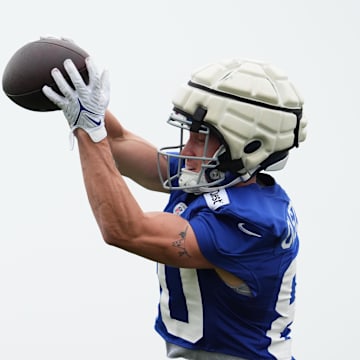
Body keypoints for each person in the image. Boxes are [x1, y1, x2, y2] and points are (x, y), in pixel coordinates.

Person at [42, 54, 307, 360]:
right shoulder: (215, 178)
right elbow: (117, 142)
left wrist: (89, 128)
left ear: (249, 146)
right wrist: (82, 91)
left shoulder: (252, 223)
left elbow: (126, 230)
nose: (186, 149)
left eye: (201, 137)